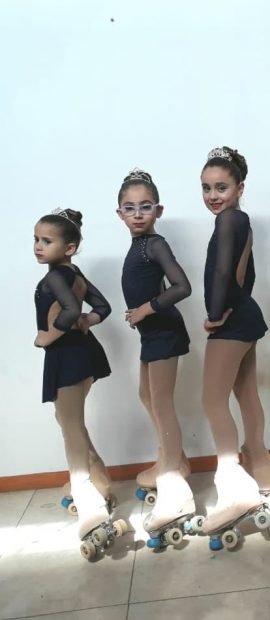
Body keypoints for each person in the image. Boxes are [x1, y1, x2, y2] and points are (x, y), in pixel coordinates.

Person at [34, 208, 126, 560]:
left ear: (69, 247)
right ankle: (98, 478)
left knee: (70, 426)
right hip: (82, 353)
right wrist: (90, 319)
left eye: (47, 241)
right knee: (69, 419)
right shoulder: (74, 273)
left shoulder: (57, 276)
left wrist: (48, 335)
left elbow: (71, 310)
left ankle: (87, 494)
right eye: (36, 239)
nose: (38, 246)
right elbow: (100, 305)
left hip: (67, 356)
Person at [199, 147, 270, 548]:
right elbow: (248, 274)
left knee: (212, 400)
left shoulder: (229, 219)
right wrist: (237, 304)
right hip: (245, 314)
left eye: (221, 187)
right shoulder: (240, 220)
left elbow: (223, 271)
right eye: (206, 188)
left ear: (240, 187)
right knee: (245, 394)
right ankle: (263, 474)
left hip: (230, 320)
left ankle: (232, 484)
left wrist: (216, 314)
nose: (213, 195)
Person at [117, 169, 196, 547]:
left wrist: (146, 309)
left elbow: (182, 286)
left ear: (158, 210)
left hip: (164, 332)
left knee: (162, 404)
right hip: (151, 334)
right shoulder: (138, 246)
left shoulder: (155, 244)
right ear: (119, 213)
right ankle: (173, 459)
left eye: (145, 207)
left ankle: (174, 485)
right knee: (146, 395)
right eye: (130, 208)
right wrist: (139, 314)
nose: (137, 214)